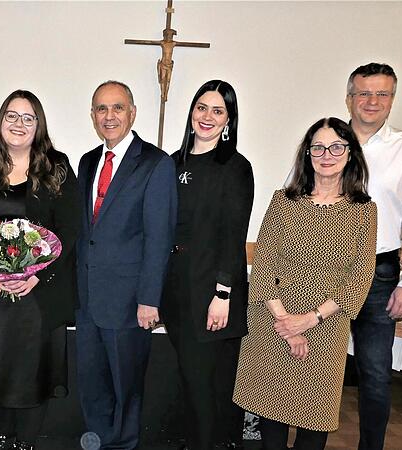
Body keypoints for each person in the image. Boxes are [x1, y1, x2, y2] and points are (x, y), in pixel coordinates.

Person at [233, 117, 377, 450]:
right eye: (318, 147)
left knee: (314, 423)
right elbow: (265, 262)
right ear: (307, 154)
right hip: (272, 321)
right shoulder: (283, 201)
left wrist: (309, 320)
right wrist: (286, 322)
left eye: (337, 146)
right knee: (269, 421)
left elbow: (360, 276)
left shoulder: (364, 211)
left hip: (326, 329)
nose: (327, 154)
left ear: (350, 153)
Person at [0, 90, 81, 450]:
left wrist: (36, 275)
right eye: (12, 116)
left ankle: (25, 443)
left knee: (33, 374)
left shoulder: (57, 166)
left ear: (38, 126)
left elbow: (69, 230)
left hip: (38, 293)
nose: (19, 124)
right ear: (0, 122)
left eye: (28, 118)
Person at [75, 80, 177, 449]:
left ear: (132, 113)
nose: (109, 116)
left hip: (130, 302)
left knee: (126, 389)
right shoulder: (87, 162)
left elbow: (159, 237)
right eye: (101, 109)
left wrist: (149, 298)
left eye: (117, 108)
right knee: (93, 388)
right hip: (88, 301)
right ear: (92, 116)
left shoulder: (155, 163)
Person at [344, 63, 402, 450]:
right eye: (364, 93)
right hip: (320, 269)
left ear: (392, 99)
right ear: (349, 97)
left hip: (379, 274)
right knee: (308, 368)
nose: (372, 101)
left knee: (376, 374)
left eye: (382, 94)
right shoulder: (327, 140)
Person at [159, 80, 253, 450]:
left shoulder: (234, 166)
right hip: (178, 289)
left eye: (218, 110)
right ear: (192, 112)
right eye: (202, 107)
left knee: (207, 390)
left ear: (229, 119)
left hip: (213, 294)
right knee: (188, 382)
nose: (208, 117)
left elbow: (233, 235)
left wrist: (223, 293)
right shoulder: (172, 162)